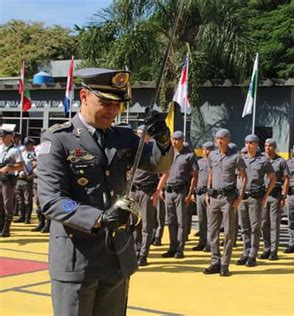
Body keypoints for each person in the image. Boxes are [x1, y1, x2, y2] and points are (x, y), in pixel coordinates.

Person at [36, 68, 173, 316]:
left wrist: (163, 139)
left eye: (117, 105)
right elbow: (52, 201)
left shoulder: (123, 137)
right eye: (106, 103)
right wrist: (99, 218)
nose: (113, 111)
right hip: (77, 259)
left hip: (116, 257)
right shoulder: (58, 139)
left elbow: (158, 164)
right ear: (84, 96)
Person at [203, 129, 247, 277]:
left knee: (228, 232)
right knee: (212, 231)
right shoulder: (212, 155)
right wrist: (208, 192)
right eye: (217, 139)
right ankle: (215, 261)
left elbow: (243, 177)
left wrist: (239, 197)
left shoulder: (236, 157)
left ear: (228, 140)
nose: (219, 141)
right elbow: (210, 172)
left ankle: (225, 264)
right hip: (214, 198)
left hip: (228, 199)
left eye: (222, 138)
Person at [156, 131, 198, 259]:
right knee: (171, 221)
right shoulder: (169, 154)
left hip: (181, 191)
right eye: (173, 139)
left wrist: (190, 193)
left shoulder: (189, 156)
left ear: (182, 140)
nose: (174, 142)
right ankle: (172, 247)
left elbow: (194, 176)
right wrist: (161, 189)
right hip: (168, 191)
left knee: (181, 222)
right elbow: (163, 172)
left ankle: (180, 249)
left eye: (177, 139)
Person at [236, 134, 276, 267]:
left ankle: (253, 254)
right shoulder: (241, 159)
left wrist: (265, 196)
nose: (248, 145)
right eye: (246, 143)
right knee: (244, 227)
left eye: (251, 143)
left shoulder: (263, 161)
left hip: (255, 198)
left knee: (255, 227)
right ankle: (245, 252)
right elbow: (239, 178)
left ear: (256, 145)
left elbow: (272, 179)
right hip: (243, 197)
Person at [131, 125, 160, 266]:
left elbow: (165, 173)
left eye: (142, 133)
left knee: (146, 225)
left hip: (147, 191)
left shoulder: (154, 151)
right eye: (137, 133)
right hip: (133, 191)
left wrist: (157, 192)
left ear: (149, 136)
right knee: (134, 223)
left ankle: (143, 254)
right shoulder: (133, 150)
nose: (139, 136)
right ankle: (135, 251)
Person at [260, 138, 288, 261]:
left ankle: (273, 250)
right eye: (265, 145)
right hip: (262, 195)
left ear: (274, 147)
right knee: (263, 224)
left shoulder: (281, 161)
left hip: (275, 195)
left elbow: (286, 179)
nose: (267, 148)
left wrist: (283, 195)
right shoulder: (260, 159)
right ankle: (266, 248)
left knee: (274, 224)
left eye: (270, 145)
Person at [0, 125, 24, 237]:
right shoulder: (0, 148)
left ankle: (6, 228)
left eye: (3, 136)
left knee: (7, 203)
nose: (1, 138)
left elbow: (21, 166)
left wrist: (9, 168)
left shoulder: (15, 150)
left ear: (9, 137)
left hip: (8, 179)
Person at [192, 141, 215, 251]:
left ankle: (210, 243)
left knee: (210, 220)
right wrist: (193, 192)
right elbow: (195, 177)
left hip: (210, 194)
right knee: (201, 220)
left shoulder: (215, 162)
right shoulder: (199, 162)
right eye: (204, 149)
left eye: (208, 149)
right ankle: (202, 242)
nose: (206, 151)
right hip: (200, 193)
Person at [14, 137, 37, 224]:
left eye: (29, 145)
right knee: (19, 198)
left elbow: (35, 163)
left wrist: (30, 173)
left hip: (27, 179)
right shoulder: (21, 153)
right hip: (19, 178)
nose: (27, 146)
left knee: (27, 199)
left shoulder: (30, 154)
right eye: (26, 144)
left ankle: (27, 218)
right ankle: (21, 216)